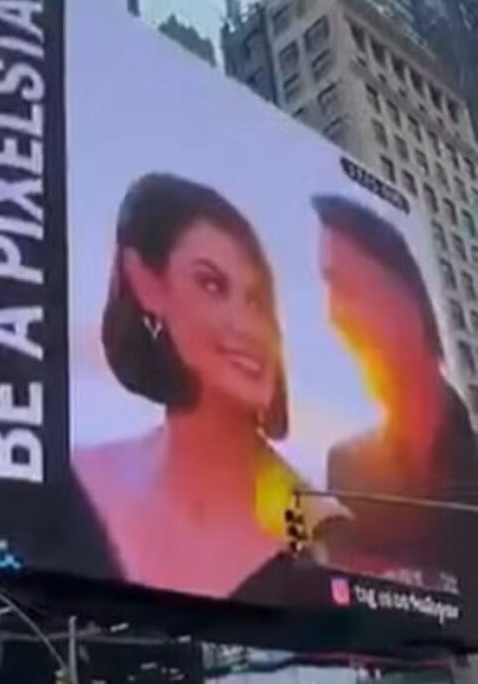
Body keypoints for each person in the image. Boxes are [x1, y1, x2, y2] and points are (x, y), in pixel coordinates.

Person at [75, 173, 339, 599]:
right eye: (212, 285)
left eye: (256, 300)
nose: (247, 327)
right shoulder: (82, 481)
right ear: (146, 283)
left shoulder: (322, 529)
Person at [314, 195, 478, 578]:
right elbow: (356, 604)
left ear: (407, 293)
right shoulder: (347, 466)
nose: (333, 313)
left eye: (345, 286)